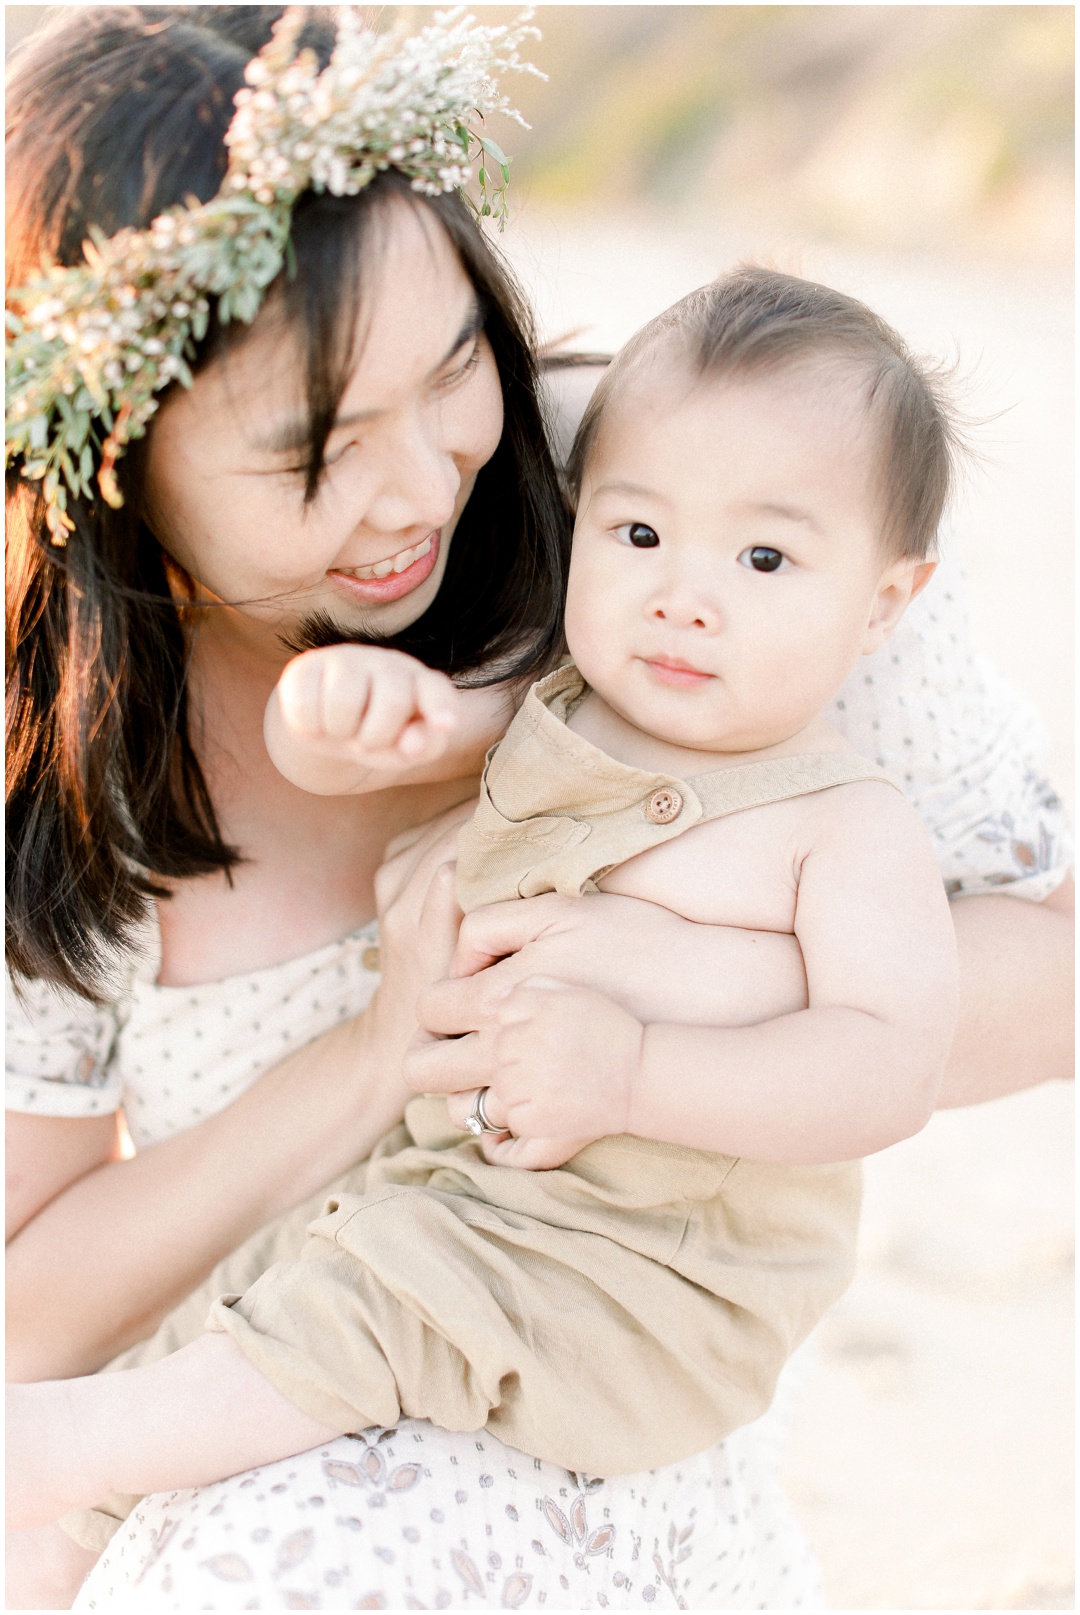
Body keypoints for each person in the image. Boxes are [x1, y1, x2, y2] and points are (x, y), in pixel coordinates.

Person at [5, 7, 1072, 1612]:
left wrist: (637, 980)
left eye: (450, 374)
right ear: (113, 466)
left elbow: (1053, 969)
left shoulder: (685, 503)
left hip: (587, 1406)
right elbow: (28, 1319)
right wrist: (377, 1055)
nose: (425, 486)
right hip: (235, 1438)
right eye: (320, 449)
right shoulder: (54, 757)